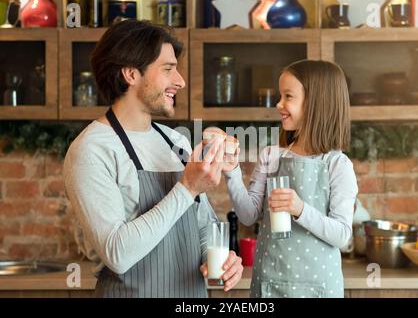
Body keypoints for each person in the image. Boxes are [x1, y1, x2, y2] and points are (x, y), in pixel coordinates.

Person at [63, 20, 243, 298]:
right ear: (131, 74)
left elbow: (204, 229)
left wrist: (220, 258)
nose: (180, 81)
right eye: (168, 69)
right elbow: (117, 253)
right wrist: (187, 188)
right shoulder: (91, 150)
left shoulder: (176, 142)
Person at [223, 60, 358, 298]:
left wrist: (300, 209)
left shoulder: (338, 165)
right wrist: (232, 170)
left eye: (288, 96)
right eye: (280, 95)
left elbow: (342, 235)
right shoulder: (271, 155)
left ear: (317, 103)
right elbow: (248, 214)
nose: (279, 104)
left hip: (319, 289)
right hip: (268, 284)